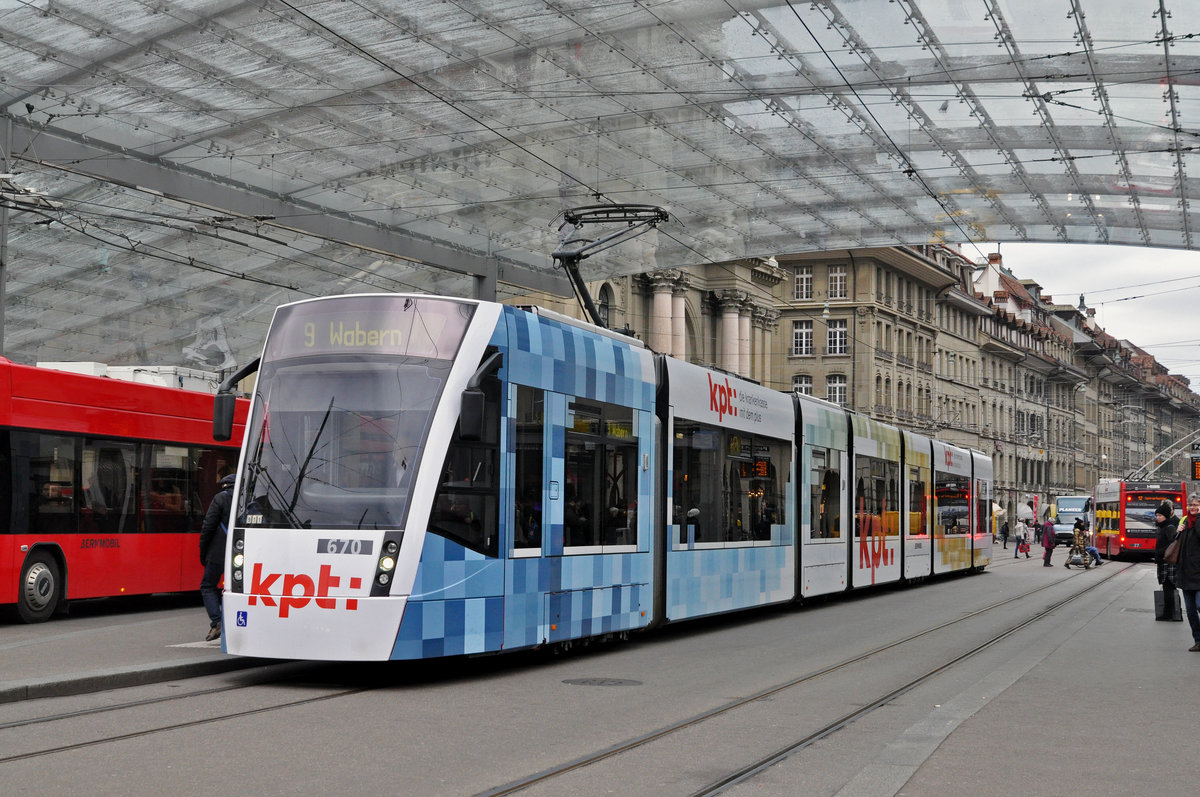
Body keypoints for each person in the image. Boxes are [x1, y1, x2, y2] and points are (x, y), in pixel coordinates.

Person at [199, 473, 235, 642]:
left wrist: (203, 552)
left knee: (207, 586)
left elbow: (208, 526)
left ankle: (217, 621)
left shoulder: (220, 499)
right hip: (240, 552)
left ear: (225, 486)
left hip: (218, 552)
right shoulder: (248, 499)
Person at [1174, 492, 1200, 650]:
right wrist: (1178, 530)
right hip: (1185, 572)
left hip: (1199, 573)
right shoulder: (1184, 521)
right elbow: (1176, 544)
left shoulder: (1197, 521)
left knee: (1199, 605)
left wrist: (1197, 520)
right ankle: (1198, 640)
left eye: (1196, 505)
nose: (1193, 508)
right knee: (1190, 611)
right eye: (1191, 505)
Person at [1154, 500, 1180, 621]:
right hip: (1163, 561)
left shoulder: (1169, 527)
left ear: (1165, 516)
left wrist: (1161, 552)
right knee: (1167, 587)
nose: (1157, 517)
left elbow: (1173, 543)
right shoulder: (1161, 527)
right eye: (1157, 515)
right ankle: (1173, 613)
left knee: (1169, 587)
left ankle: (1169, 614)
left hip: (1167, 562)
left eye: (1160, 515)